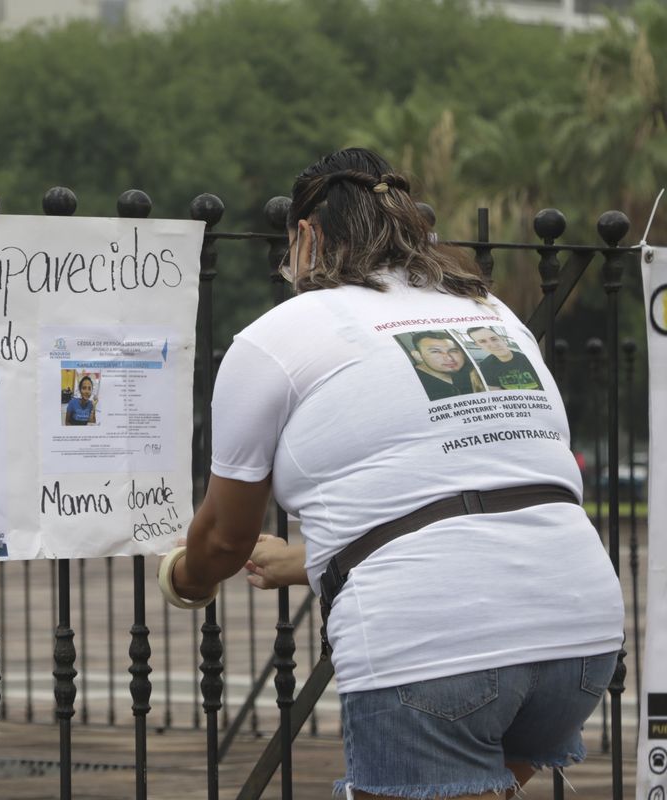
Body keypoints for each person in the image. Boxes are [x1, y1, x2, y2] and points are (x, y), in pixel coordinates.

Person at [158, 148, 623, 800]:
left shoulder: (277, 335)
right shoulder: (489, 311)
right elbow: (480, 483)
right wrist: (306, 560)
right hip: (581, 634)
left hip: (435, 644)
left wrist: (183, 578)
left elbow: (224, 540)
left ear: (309, 234)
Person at [407, 330, 481, 400]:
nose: (449, 358)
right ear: (418, 356)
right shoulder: (410, 384)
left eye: (453, 351)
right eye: (435, 351)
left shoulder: (472, 371)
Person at [467, 326, 544, 390]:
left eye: (494, 339)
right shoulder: (485, 366)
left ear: (503, 339)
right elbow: (496, 394)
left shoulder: (528, 359)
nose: (493, 345)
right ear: (478, 345)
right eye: (483, 341)